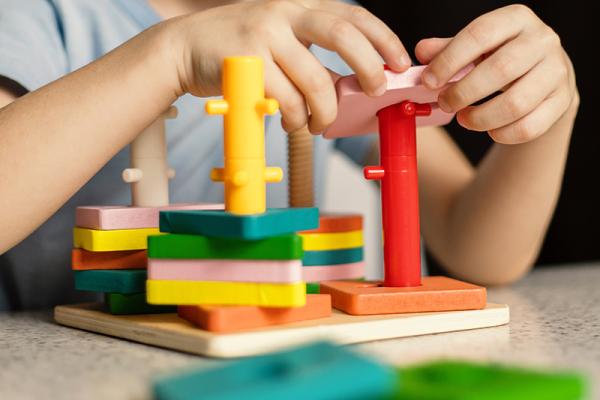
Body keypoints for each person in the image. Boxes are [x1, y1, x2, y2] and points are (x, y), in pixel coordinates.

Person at [0, 0, 578, 310]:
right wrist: (170, 56)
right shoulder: (47, 15)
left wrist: (546, 116)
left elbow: (479, 250)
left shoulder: (323, 24)